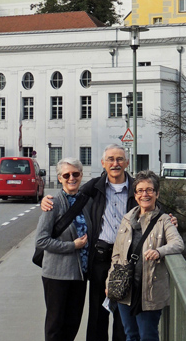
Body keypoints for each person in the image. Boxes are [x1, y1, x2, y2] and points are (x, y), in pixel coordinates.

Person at [41, 144, 136, 341]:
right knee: (96, 315)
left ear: (127, 162)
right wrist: (43, 201)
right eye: (110, 159)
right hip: (99, 260)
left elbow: (153, 204)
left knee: (123, 315)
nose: (115, 163)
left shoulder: (137, 188)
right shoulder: (94, 187)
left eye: (119, 159)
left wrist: (170, 218)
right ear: (103, 163)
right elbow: (67, 196)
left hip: (125, 261)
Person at [106, 170, 184, 341]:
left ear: (157, 193)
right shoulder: (127, 219)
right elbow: (116, 255)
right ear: (135, 195)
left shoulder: (164, 220)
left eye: (149, 190)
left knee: (148, 336)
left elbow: (178, 244)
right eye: (140, 190)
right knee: (130, 335)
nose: (145, 194)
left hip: (150, 290)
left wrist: (159, 251)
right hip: (126, 289)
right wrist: (109, 282)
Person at [35, 158, 92, 341]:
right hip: (57, 275)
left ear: (81, 175)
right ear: (60, 178)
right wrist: (72, 246)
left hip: (79, 274)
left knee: (72, 324)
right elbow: (42, 240)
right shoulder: (53, 203)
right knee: (55, 325)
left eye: (75, 174)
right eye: (66, 175)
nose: (71, 178)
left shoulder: (86, 202)